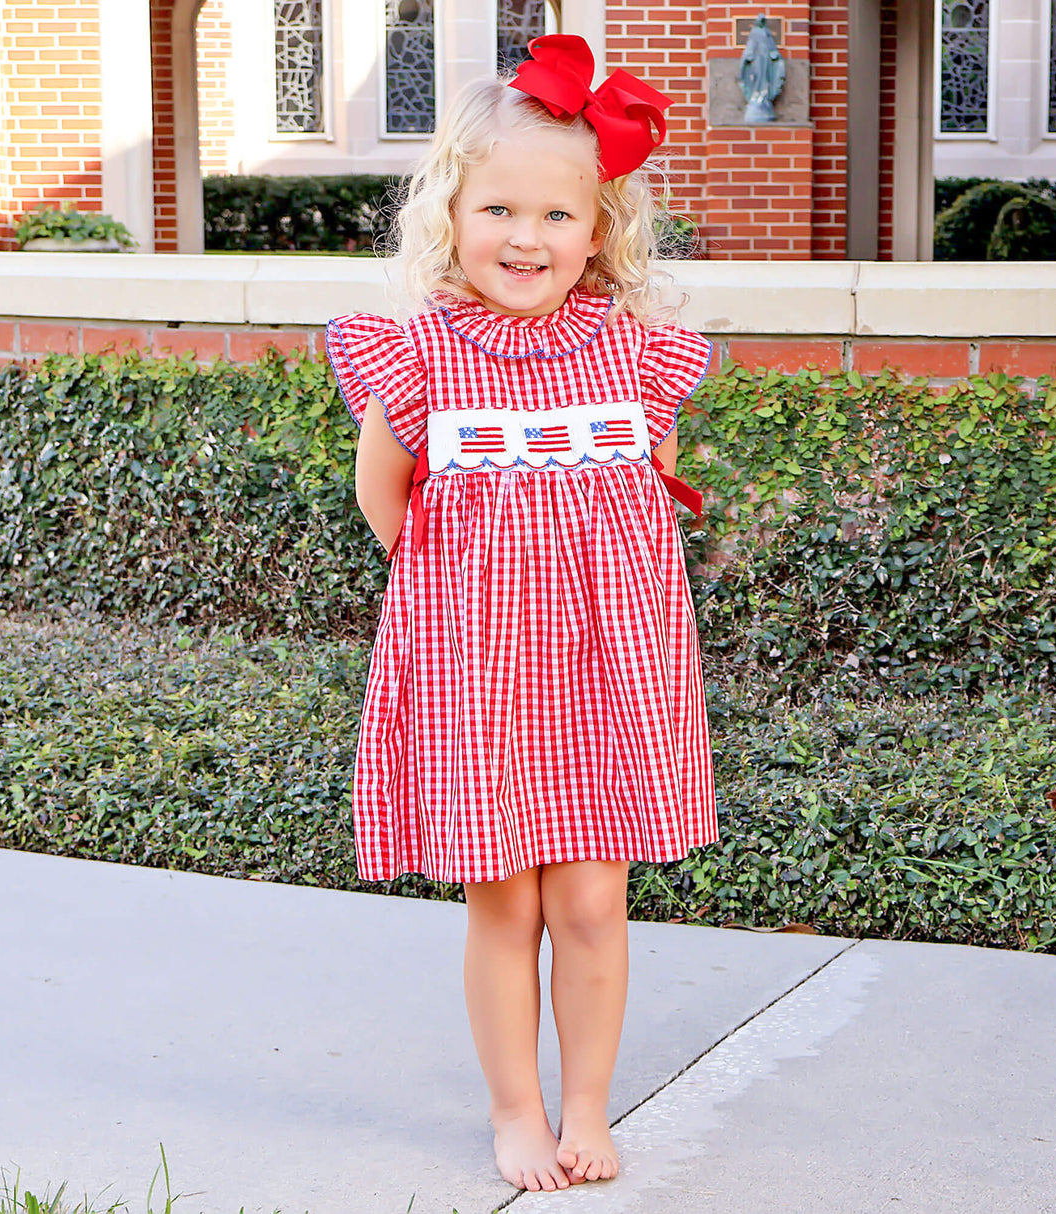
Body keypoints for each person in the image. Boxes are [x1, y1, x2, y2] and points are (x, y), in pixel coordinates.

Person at [325, 33, 718, 1194]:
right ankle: (515, 1109)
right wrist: (470, 586)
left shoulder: (632, 355)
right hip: (475, 659)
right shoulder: (416, 355)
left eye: (555, 216)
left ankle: (588, 1103)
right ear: (450, 210)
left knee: (593, 896)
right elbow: (382, 495)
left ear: (596, 229)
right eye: (498, 207)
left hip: (605, 664)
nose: (524, 238)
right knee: (503, 895)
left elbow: (647, 489)